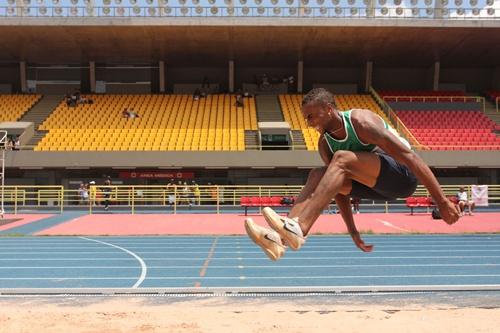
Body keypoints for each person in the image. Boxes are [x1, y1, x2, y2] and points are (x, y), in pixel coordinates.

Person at [244, 88, 460, 261]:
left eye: (312, 116)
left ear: (328, 109)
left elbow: (410, 157)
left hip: (402, 176)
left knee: (342, 158)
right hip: (377, 186)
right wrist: (353, 232)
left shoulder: (361, 123)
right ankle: (280, 239)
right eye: (306, 119)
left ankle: (298, 228)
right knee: (318, 174)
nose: (309, 123)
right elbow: (336, 189)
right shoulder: (325, 144)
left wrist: (440, 201)